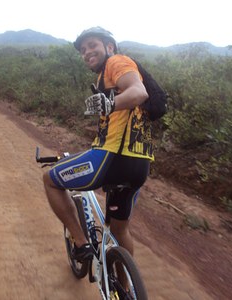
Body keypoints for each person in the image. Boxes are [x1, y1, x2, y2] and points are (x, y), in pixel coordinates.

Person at [43, 27, 153, 261]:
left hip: (112, 158)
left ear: (109, 47)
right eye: (83, 50)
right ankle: (124, 293)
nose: (86, 52)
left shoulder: (117, 63)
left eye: (92, 45)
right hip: (139, 164)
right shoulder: (104, 77)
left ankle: (81, 244)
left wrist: (109, 104)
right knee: (119, 229)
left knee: (50, 180)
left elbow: (139, 92)